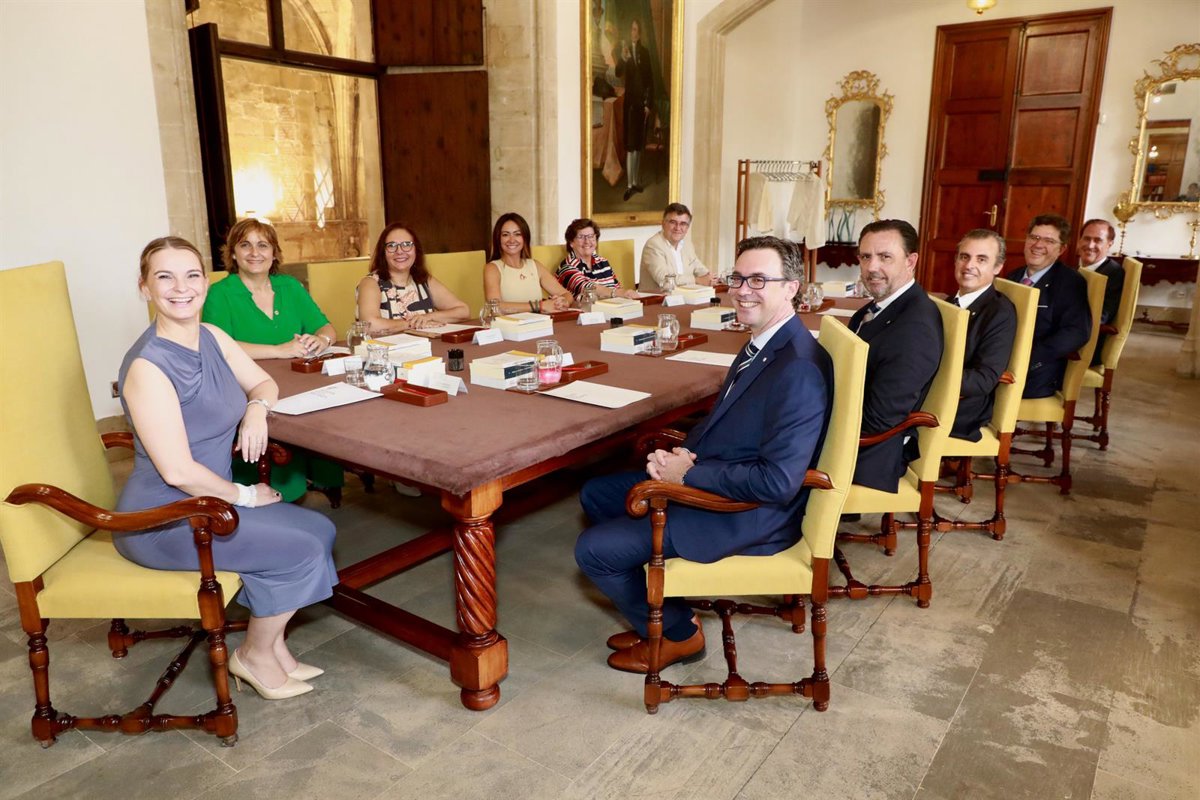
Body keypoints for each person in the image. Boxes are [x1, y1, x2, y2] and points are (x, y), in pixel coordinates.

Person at [576, 236, 832, 674]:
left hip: (747, 513)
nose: (743, 290)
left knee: (593, 551)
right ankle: (659, 612)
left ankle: (678, 633)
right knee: (597, 494)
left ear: (791, 287)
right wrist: (676, 455)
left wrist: (686, 475)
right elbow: (727, 424)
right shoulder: (765, 343)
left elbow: (777, 482)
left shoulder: (798, 368)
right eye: (738, 278)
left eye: (758, 280)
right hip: (717, 473)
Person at [117, 236, 337, 700]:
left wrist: (256, 410)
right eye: (165, 277)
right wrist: (246, 495)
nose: (181, 288)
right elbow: (177, 472)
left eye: (191, 275)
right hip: (164, 517)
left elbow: (263, 382)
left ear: (205, 281)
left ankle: (272, 646)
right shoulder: (148, 367)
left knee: (320, 529)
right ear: (144, 287)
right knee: (300, 549)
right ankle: (254, 656)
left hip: (210, 500)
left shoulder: (213, 337)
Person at [202, 218, 344, 503]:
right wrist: (279, 350)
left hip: (298, 377)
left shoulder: (289, 286)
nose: (255, 252)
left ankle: (323, 475)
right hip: (246, 385)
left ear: (274, 252)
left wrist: (321, 340)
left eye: (263, 245)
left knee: (333, 399)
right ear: (233, 253)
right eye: (245, 245)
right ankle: (279, 489)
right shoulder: (220, 293)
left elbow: (327, 328)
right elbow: (217, 345)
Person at [848, 219, 943, 492]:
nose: (871, 267)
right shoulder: (880, 307)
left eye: (885, 257)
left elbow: (878, 420)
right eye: (865, 257)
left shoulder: (915, 327)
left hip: (869, 454)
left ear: (911, 261)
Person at [1003, 214, 1090, 398]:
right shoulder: (1012, 276)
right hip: (1002, 360)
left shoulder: (1070, 282)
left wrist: (1025, 359)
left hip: (1037, 371)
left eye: (1049, 241)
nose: (1038, 245)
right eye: (1034, 237)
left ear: (1061, 249)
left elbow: (1076, 332)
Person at [948, 229, 1017, 441]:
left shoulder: (1000, 313)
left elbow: (983, 379)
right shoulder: (948, 303)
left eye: (981, 259)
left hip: (961, 408)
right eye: (964, 257)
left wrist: (924, 377)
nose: (969, 265)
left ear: (997, 267)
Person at [356, 223, 470, 334]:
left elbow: (463, 311)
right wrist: (413, 323)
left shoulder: (423, 280)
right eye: (392, 246)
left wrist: (428, 317)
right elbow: (370, 325)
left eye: (407, 244)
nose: (399, 251)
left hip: (425, 345)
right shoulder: (371, 283)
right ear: (383, 253)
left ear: (416, 250)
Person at [483, 212, 573, 314]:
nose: (512, 240)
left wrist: (563, 301)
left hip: (539, 322)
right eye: (505, 235)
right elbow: (495, 307)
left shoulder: (535, 265)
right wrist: (540, 306)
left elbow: (566, 294)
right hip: (509, 324)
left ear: (525, 238)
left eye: (517, 234)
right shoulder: (492, 268)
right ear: (498, 239)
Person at [1076, 218, 1125, 366]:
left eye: (1098, 240)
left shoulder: (1114, 274)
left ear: (1109, 244)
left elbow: (1101, 317)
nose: (1090, 245)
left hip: (1086, 346)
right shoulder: (1075, 268)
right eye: (1086, 238)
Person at [615, 18, 654, 201]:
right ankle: (629, 185)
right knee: (631, 147)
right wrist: (623, 59)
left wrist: (648, 104)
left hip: (641, 105)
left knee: (638, 145)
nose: (634, 33)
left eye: (637, 30)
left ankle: (635, 182)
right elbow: (618, 73)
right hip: (630, 105)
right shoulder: (624, 51)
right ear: (629, 31)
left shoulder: (645, 53)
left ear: (640, 33)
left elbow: (650, 81)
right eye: (632, 29)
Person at [555, 217, 639, 301]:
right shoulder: (567, 267)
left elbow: (617, 287)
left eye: (591, 236)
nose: (587, 241)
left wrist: (625, 294)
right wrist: (617, 293)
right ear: (571, 242)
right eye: (581, 237)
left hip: (612, 306)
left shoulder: (603, 262)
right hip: (587, 309)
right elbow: (588, 288)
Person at [638, 203, 712, 294]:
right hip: (657, 299)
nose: (677, 228)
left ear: (687, 227)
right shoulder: (653, 245)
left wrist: (709, 277)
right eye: (673, 222)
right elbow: (665, 280)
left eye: (683, 224)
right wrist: (697, 280)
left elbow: (697, 266)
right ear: (663, 224)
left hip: (683, 297)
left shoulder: (686, 244)